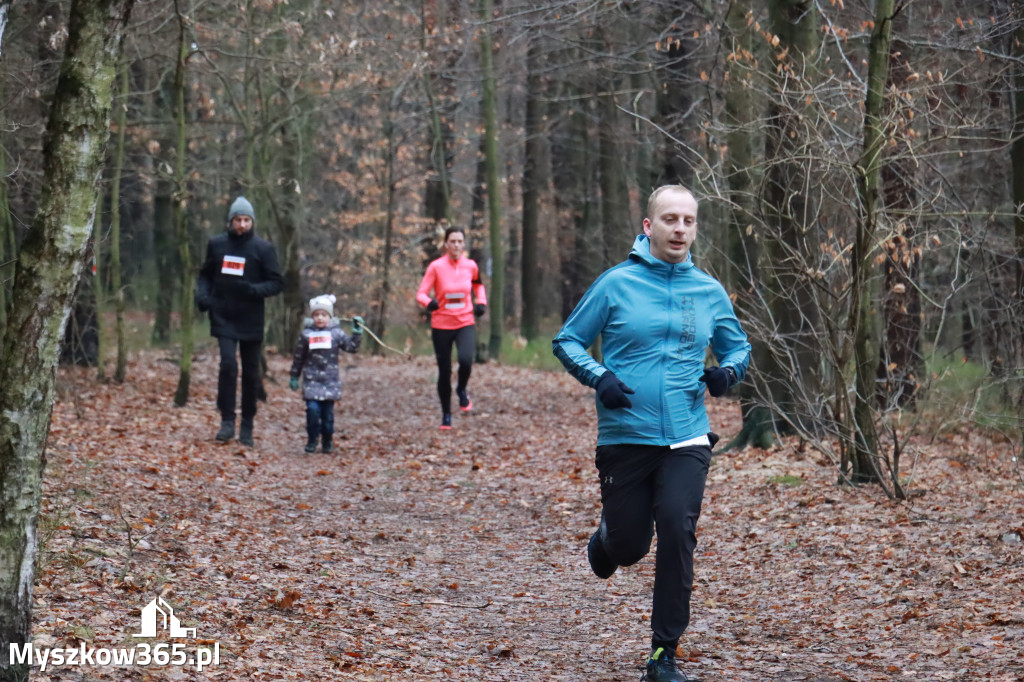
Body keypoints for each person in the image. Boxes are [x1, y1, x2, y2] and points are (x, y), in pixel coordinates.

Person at [552, 185, 751, 682]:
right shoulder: (616, 284)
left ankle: (664, 655)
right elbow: (568, 340)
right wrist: (600, 377)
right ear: (649, 226)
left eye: (688, 220)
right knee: (630, 546)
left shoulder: (707, 291)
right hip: (626, 435)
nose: (679, 228)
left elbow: (738, 348)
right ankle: (606, 541)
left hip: (687, 434)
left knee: (678, 530)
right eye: (669, 219)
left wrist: (727, 372)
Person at [195, 196, 284, 447]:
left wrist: (253, 290)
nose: (242, 225)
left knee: (251, 373)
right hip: (223, 315)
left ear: (252, 221)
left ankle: (247, 425)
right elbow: (205, 276)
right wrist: (202, 296)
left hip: (251, 318)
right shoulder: (217, 245)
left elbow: (277, 283)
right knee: (227, 365)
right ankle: (226, 421)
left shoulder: (263, 249)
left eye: (246, 220)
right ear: (230, 221)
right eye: (238, 220)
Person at [416, 226, 487, 430]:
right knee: (444, 371)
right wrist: (429, 303)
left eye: (459, 241)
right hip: (442, 324)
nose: (456, 245)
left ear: (463, 244)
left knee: (466, 360)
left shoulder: (471, 266)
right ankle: (446, 414)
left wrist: (481, 301)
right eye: (452, 241)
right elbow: (421, 293)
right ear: (446, 244)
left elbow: (478, 286)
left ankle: (462, 390)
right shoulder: (436, 267)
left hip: (465, 321)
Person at [288, 295, 364, 453]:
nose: (320, 318)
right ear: (312, 317)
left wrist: (357, 333)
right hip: (311, 381)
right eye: (316, 315)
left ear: (330, 316)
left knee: (328, 417)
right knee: (312, 412)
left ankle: (327, 439)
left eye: (323, 314)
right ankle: (312, 439)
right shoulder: (306, 335)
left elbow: (351, 348)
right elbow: (298, 357)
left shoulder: (336, 334)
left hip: (330, 382)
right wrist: (294, 376)